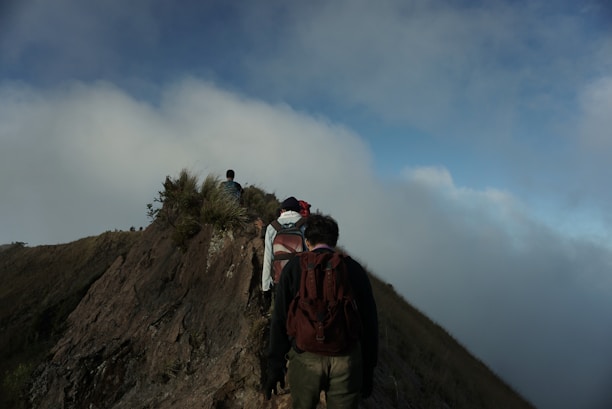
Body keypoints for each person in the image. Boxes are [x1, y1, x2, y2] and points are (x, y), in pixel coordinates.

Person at [264, 213, 379, 409]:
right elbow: (370, 323)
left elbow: (280, 319)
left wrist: (275, 366)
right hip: (345, 358)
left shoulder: (293, 268)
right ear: (334, 241)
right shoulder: (353, 269)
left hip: (305, 357)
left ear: (307, 242)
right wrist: (368, 371)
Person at [261, 196, 305, 293]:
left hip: (280, 281)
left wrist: (266, 286)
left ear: (283, 210)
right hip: (300, 281)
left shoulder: (273, 227)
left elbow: (268, 258)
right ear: (298, 210)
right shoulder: (305, 225)